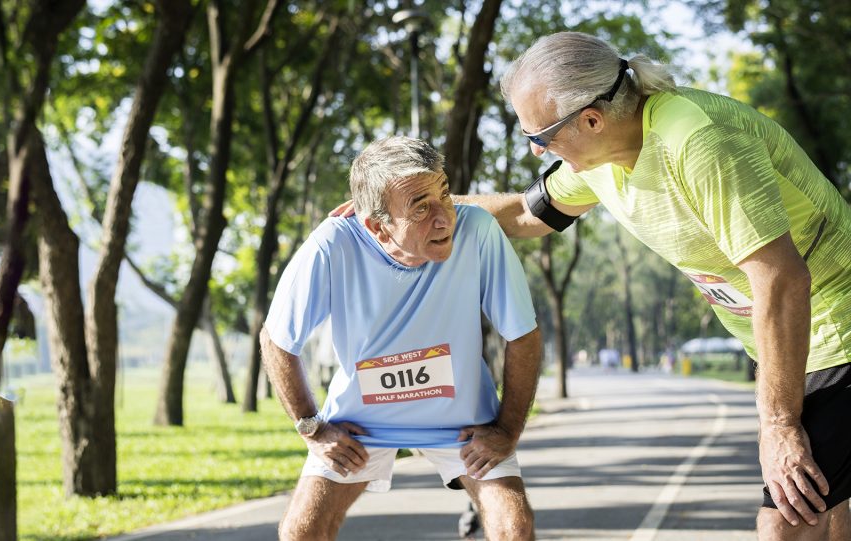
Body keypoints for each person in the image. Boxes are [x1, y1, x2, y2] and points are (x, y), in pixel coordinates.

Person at [457, 31, 850, 541]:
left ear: (591, 119)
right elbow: (521, 215)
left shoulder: (697, 141)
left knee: (788, 517)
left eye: (541, 136)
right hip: (788, 335)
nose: (536, 151)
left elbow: (781, 277)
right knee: (832, 512)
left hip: (834, 323)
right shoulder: (599, 161)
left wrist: (777, 425)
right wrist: (423, 209)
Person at [261, 136, 542, 540]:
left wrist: (508, 430)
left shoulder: (478, 231)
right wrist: (313, 427)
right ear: (377, 226)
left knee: (515, 528)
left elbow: (523, 335)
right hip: (360, 427)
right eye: (420, 208)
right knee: (299, 532)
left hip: (463, 426)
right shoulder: (332, 244)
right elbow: (276, 340)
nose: (444, 218)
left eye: (444, 194)